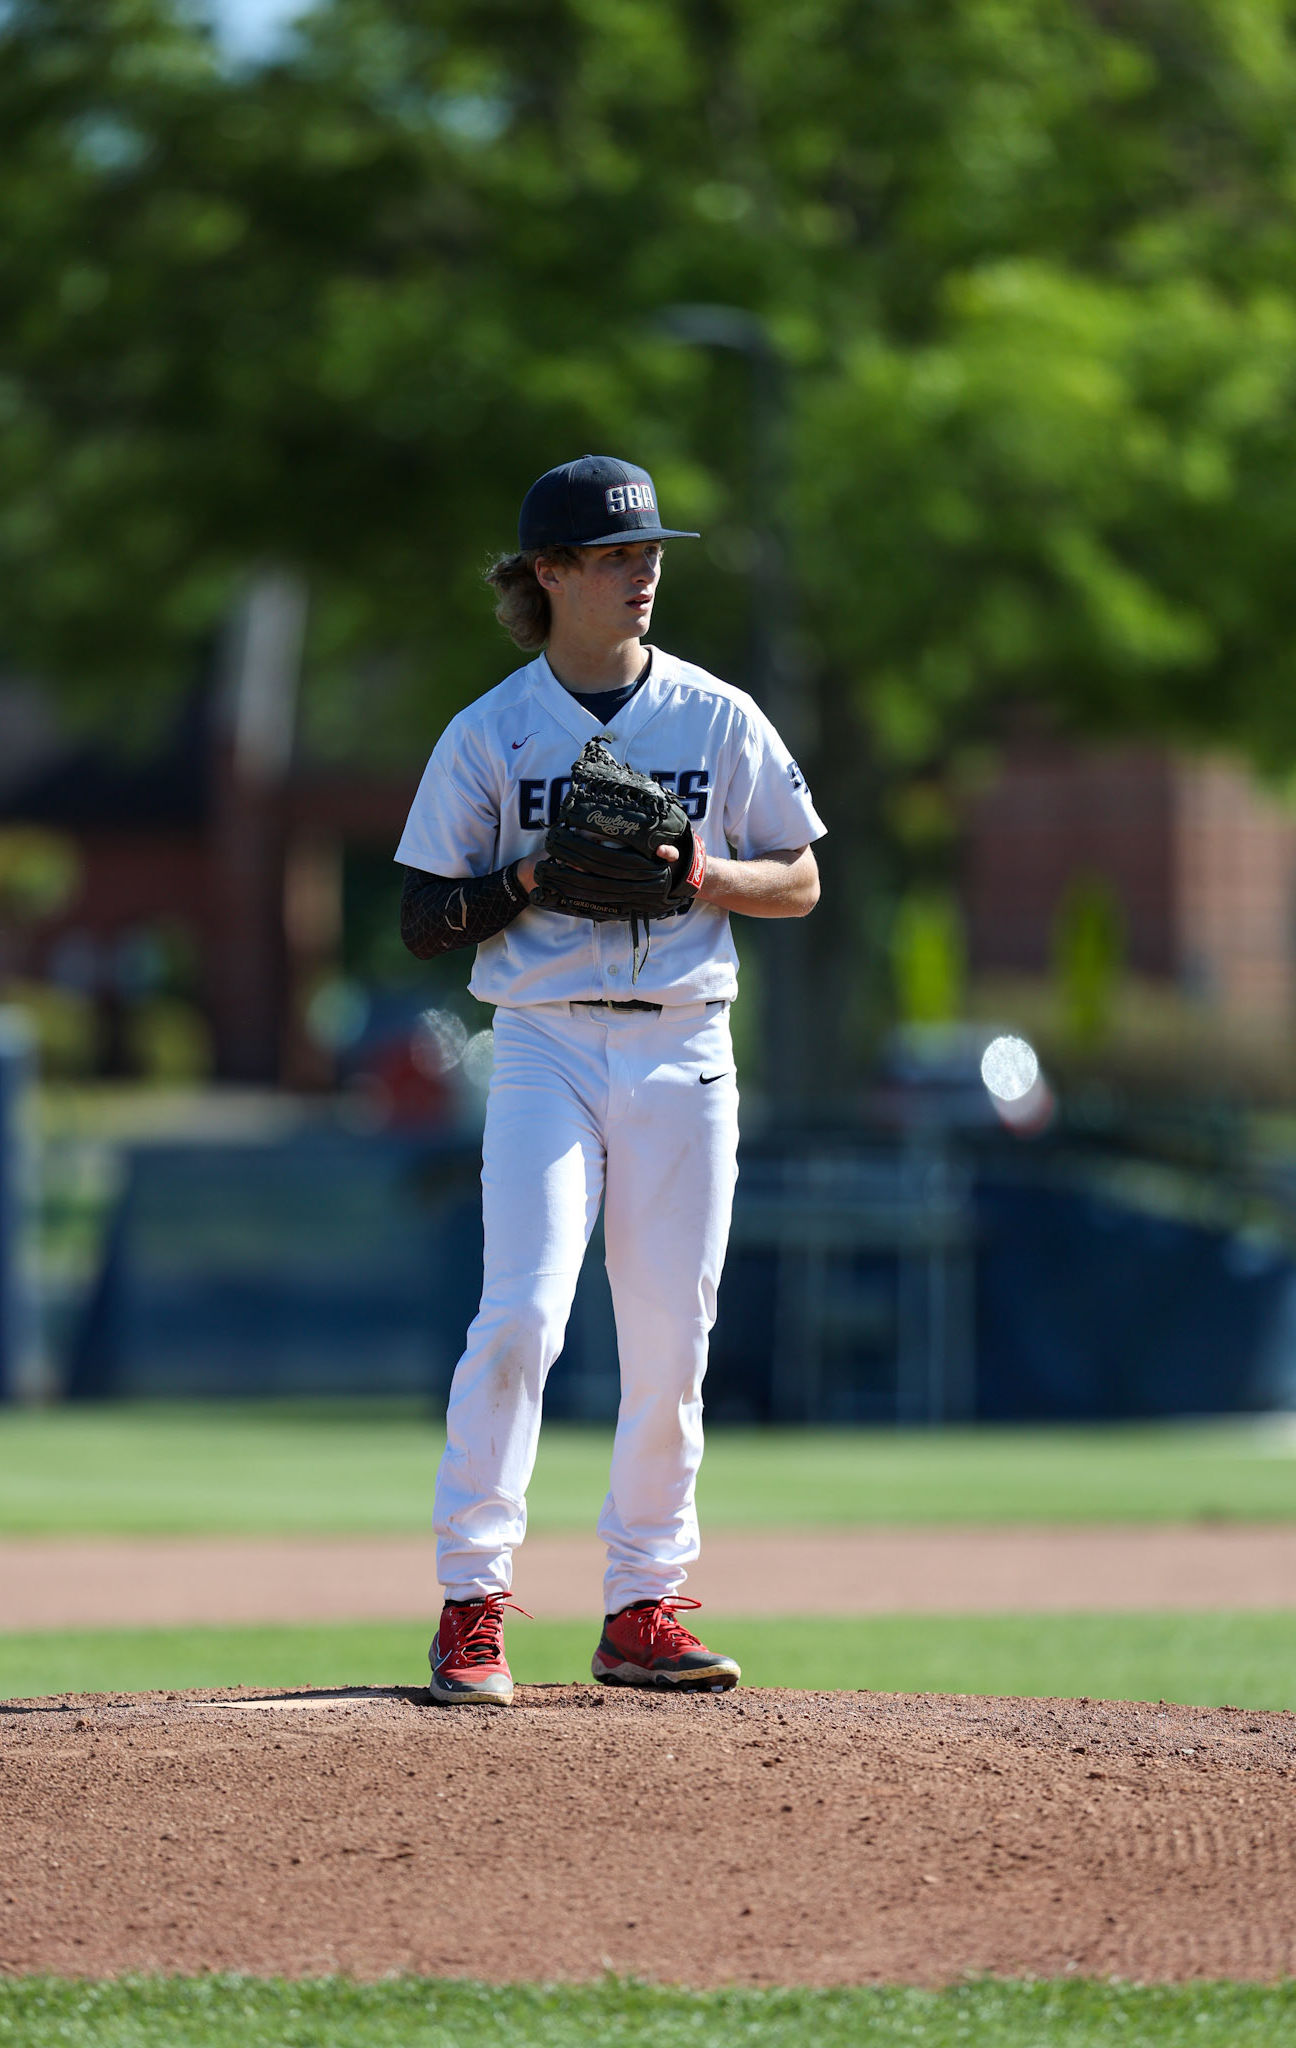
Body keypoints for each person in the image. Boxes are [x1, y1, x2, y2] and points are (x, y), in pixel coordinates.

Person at [395, 454, 824, 1705]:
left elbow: (797, 880)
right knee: (524, 1312)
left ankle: (643, 1604)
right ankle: (471, 1600)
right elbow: (424, 916)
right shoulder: (490, 730)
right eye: (615, 555)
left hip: (687, 1044)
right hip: (543, 1042)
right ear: (549, 574)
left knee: (672, 1337)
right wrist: (528, 879)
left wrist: (703, 872)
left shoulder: (717, 715)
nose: (644, 573)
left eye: (651, 553)